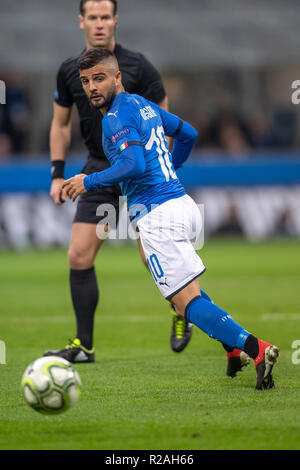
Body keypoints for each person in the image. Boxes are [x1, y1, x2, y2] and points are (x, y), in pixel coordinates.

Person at [62, 48, 280, 390]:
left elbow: (133, 164)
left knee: (183, 301)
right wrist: (169, 168)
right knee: (183, 290)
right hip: (182, 204)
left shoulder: (115, 117)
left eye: (99, 78)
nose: (92, 87)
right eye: (86, 81)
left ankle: (256, 348)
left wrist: (86, 181)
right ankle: (231, 349)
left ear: (117, 78)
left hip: (158, 216)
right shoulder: (143, 105)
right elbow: (189, 134)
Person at [45, 0, 192, 363]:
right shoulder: (70, 71)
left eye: (105, 17)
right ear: (81, 21)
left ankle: (182, 311)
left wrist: (162, 170)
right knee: (79, 255)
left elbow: (165, 120)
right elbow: (60, 125)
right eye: (92, 17)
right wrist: (57, 173)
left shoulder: (138, 66)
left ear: (115, 20)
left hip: (140, 172)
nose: (98, 23)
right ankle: (83, 347)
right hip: (98, 169)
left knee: (152, 256)